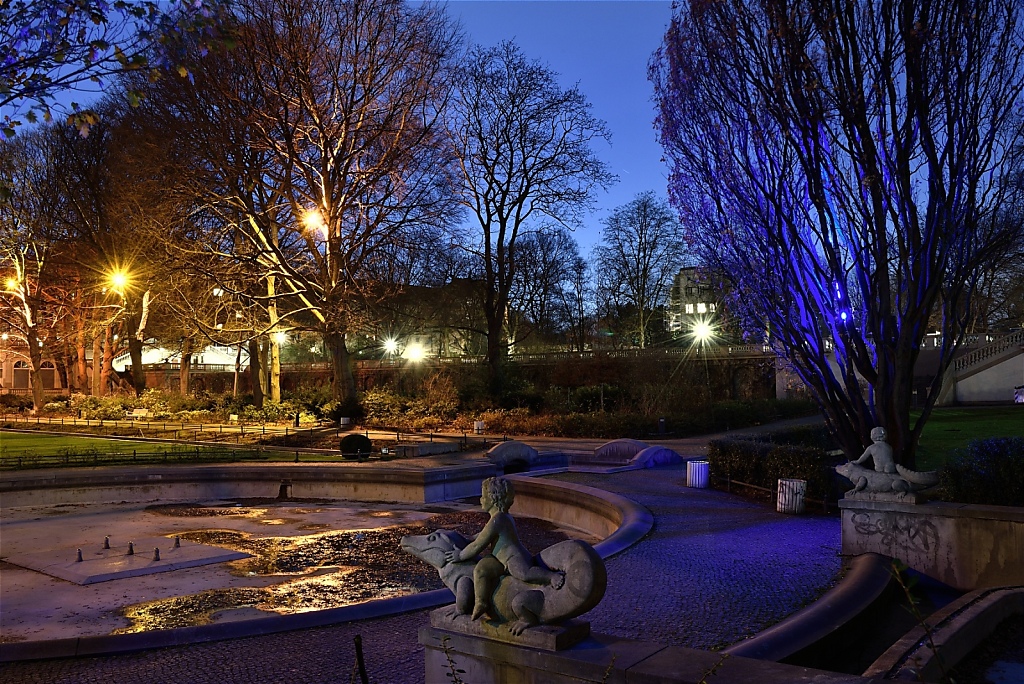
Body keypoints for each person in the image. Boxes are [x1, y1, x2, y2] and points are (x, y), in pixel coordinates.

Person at [445, 476, 564, 620]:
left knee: (524, 573)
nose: (480, 500)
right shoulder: (498, 518)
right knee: (480, 570)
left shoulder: (499, 519)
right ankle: (481, 603)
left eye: (483, 496)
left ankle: (551, 577)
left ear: (493, 498)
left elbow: (478, 546)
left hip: (512, 558)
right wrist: (470, 538)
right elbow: (483, 535)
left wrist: (460, 556)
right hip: (498, 559)